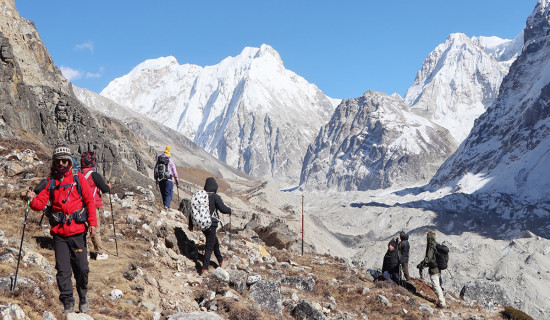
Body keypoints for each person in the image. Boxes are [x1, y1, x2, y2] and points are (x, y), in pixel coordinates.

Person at [26, 143, 97, 314]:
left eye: (64, 161)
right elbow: (39, 204)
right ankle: (68, 303)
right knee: (62, 270)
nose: (61, 164)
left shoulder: (78, 178)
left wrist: (93, 224)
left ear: (69, 161)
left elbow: (89, 202)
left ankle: (83, 295)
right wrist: (30, 199)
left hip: (78, 231)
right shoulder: (50, 182)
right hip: (59, 234)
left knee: (82, 268)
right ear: (54, 162)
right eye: (58, 161)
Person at [81, 151, 111, 260]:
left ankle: (85, 253)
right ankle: (99, 252)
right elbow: (104, 189)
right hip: (92, 205)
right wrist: (108, 186)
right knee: (95, 229)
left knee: (83, 230)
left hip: (80, 205)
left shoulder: (78, 174)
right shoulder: (94, 174)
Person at [201, 177, 231, 274]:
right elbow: (223, 209)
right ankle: (204, 268)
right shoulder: (214, 197)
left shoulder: (201, 196)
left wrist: (190, 225)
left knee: (215, 242)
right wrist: (230, 210)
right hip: (211, 224)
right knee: (209, 247)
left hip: (202, 224)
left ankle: (220, 260)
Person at [417, 230, 446, 307]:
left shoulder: (431, 247)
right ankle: (442, 299)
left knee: (436, 285)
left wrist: (421, 265)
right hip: (438, 268)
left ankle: (442, 302)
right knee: (437, 284)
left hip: (434, 269)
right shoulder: (436, 245)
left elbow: (428, 258)